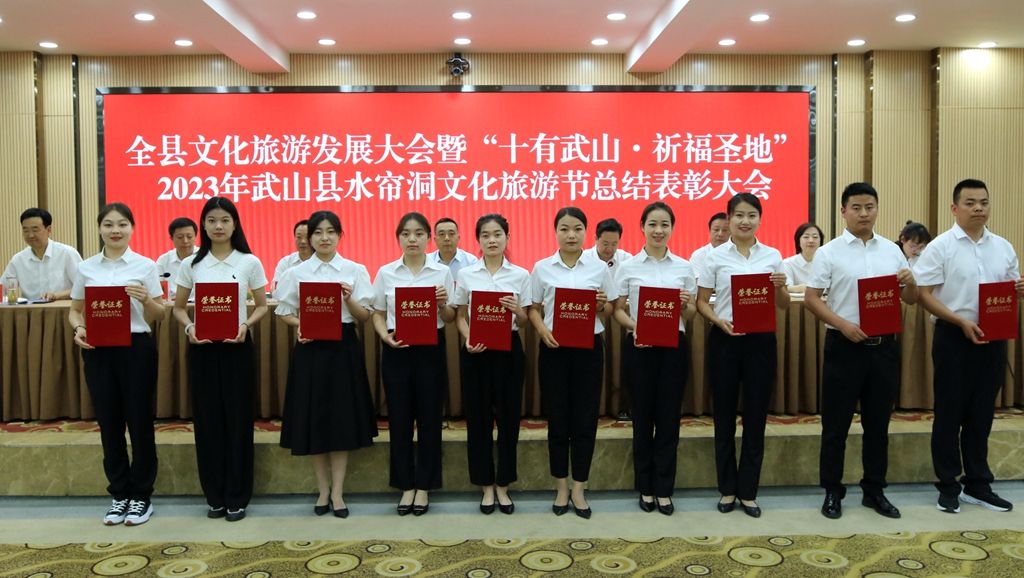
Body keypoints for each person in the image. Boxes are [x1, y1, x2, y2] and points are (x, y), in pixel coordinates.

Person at [804, 182, 918, 520]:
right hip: (844, 345)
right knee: (835, 425)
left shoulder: (892, 251)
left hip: (883, 347)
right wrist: (843, 325)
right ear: (843, 211)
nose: (864, 213)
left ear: (877, 209)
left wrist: (910, 282)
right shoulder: (829, 252)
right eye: (856, 207)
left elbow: (910, 299)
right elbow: (812, 299)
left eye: (870, 207)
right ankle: (832, 491)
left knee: (878, 424)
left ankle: (874, 490)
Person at [915, 178, 1022, 514]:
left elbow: (1008, 290)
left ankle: (978, 484)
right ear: (954, 207)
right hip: (953, 337)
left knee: (981, 413)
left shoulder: (1003, 247)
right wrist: (960, 321)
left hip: (992, 338)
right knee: (949, 413)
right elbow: (923, 294)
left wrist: (1018, 292)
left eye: (984, 203)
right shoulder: (941, 247)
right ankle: (948, 485)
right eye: (970, 203)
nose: (978, 209)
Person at [275, 210, 377, 518]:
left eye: (331, 231)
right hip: (310, 350)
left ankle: (338, 492)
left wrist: (348, 299)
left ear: (340, 235)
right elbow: (284, 312)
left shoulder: (354, 270)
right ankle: (322, 491)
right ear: (309, 238)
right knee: (314, 420)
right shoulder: (296, 272)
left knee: (341, 420)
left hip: (343, 349)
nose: (324, 237)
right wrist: (301, 326)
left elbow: (364, 316)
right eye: (318, 232)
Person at [172, 196, 268, 522]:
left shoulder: (249, 262)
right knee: (208, 422)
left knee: (238, 422)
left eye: (225, 220)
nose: (218, 226)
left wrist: (246, 325)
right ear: (203, 224)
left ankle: (237, 496)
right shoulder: (191, 264)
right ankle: (214, 495)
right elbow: (178, 308)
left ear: (235, 224)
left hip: (237, 348)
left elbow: (262, 306)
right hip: (202, 349)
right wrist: (189, 328)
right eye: (211, 220)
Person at [68, 203, 164, 527]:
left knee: (139, 422)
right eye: (108, 224)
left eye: (122, 224)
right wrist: (79, 329)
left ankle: (141, 496)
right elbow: (75, 311)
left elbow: (159, 314)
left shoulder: (145, 265)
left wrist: (146, 299)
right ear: (99, 229)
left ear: (132, 228)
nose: (115, 230)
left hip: (135, 349)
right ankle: (119, 493)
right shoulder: (86, 268)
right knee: (109, 424)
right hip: (98, 350)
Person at [695, 193, 788, 518]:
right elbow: (701, 302)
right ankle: (727, 489)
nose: (745, 221)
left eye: (751, 215)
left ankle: (748, 491)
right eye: (739, 215)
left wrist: (780, 287)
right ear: (729, 219)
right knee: (723, 416)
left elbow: (783, 304)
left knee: (755, 416)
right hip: (725, 340)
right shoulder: (714, 257)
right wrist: (718, 320)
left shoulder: (773, 256)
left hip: (761, 343)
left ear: (760, 219)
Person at [528, 207, 618, 519]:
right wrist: (542, 331)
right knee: (558, 419)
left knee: (585, 419)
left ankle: (579, 487)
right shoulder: (542, 268)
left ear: (585, 232)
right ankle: (561, 487)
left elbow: (608, 309)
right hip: (554, 349)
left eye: (577, 229)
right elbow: (533, 308)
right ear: (555, 232)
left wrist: (602, 306)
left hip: (588, 349)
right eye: (564, 229)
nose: (571, 235)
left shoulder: (598, 267)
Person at [612, 201, 697, 516]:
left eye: (665, 224)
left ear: (672, 228)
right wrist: (637, 327)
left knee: (669, 419)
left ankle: (664, 489)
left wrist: (686, 304)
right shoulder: (628, 266)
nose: (659, 230)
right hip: (640, 348)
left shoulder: (684, 267)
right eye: (653, 224)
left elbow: (690, 313)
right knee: (642, 418)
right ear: (642, 227)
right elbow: (617, 310)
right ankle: (645, 487)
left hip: (673, 349)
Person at [372, 212, 454, 516]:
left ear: (428, 239)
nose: (412, 239)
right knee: (400, 419)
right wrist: (386, 337)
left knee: (430, 419)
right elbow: (378, 313)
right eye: (406, 234)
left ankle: (425, 486)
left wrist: (442, 304)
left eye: (419, 233)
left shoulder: (441, 272)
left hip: (431, 350)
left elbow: (449, 317)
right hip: (397, 348)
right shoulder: (386, 272)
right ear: (398, 238)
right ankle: (406, 485)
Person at [450, 214, 530, 515]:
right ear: (478, 240)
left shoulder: (520, 275)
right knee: (478, 421)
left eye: (497, 234)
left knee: (509, 421)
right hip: (476, 353)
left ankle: (504, 485)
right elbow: (460, 315)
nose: (492, 240)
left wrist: (517, 310)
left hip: (509, 352)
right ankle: (485, 486)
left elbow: (525, 321)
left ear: (507, 238)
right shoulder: (467, 274)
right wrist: (468, 337)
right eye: (485, 235)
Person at [2, 208, 82, 301]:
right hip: (30, 309)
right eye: (26, 230)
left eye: (35, 230)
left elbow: (83, 287)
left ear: (49, 230)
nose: (30, 235)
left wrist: (56, 295)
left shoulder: (67, 253)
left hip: (62, 308)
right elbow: (2, 288)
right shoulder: (18, 259)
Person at [155, 217, 198, 299]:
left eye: (189, 237)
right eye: (180, 237)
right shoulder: (163, 260)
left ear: (195, 236)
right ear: (171, 238)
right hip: (171, 304)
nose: (185, 241)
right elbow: (157, 288)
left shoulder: (204, 257)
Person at [272, 220, 313, 296]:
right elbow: (275, 290)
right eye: (299, 237)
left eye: (307, 237)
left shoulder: (322, 262)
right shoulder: (286, 263)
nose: (303, 241)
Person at [783, 222, 824, 293]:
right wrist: (802, 288)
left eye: (815, 237)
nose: (811, 240)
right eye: (806, 237)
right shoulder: (788, 264)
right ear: (798, 241)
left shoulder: (827, 263)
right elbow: (786, 288)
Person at [688, 212, 730, 277]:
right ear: (710, 231)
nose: (720, 234)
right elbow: (697, 281)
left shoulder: (739, 253)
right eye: (716, 230)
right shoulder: (699, 255)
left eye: (725, 230)